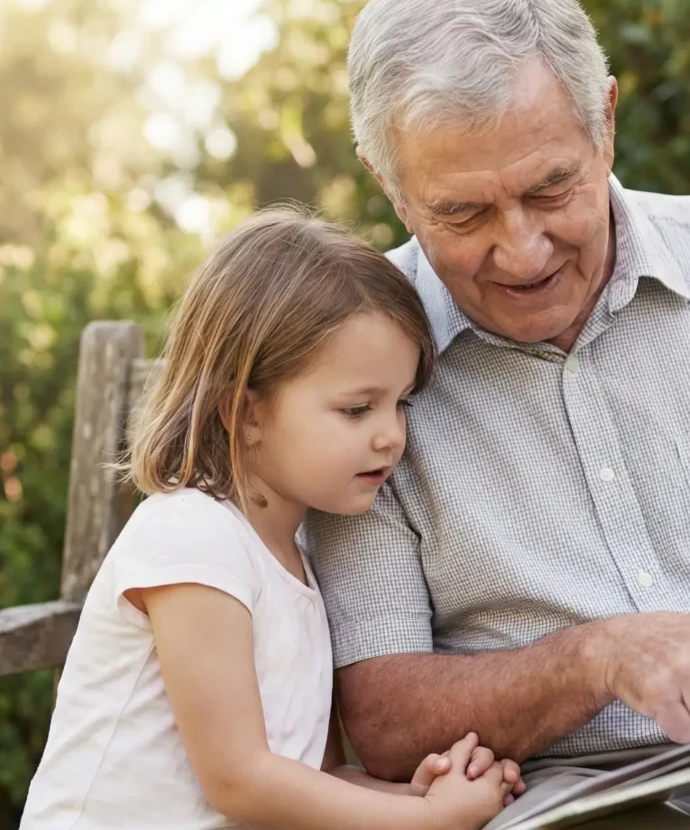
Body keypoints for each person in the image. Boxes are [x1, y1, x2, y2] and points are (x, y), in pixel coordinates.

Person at [304, 0, 690, 828]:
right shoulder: (350, 385)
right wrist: (596, 659)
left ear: (606, 124)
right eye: (463, 212)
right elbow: (386, 718)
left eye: (552, 189)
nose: (521, 252)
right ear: (392, 190)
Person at [20, 208, 524, 830]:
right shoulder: (192, 538)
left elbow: (312, 780)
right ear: (246, 412)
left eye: (401, 404)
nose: (391, 436)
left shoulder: (299, 564)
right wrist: (429, 823)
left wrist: (423, 796)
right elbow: (240, 779)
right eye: (357, 408)